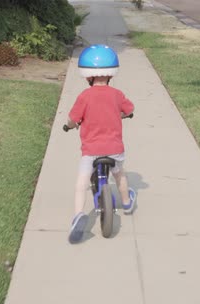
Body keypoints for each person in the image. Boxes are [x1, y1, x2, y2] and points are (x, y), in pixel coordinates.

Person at [66, 44, 136, 243]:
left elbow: (73, 119)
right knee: (120, 175)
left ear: (87, 76)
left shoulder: (84, 96)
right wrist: (121, 114)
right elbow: (130, 110)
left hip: (91, 151)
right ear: (111, 74)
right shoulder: (117, 95)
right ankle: (127, 202)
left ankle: (79, 214)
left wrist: (69, 125)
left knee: (81, 183)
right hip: (114, 149)